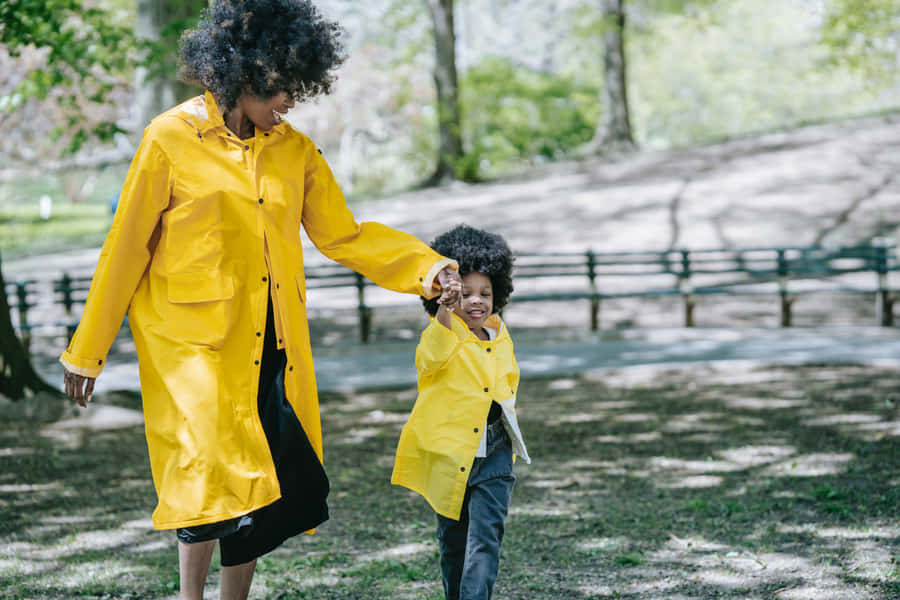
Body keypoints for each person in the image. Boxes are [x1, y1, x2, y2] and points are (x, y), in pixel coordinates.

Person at [60, 1, 460, 599]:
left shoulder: (293, 150)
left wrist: (427, 270)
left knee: (262, 487)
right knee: (204, 478)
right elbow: (125, 250)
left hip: (270, 347)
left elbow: (343, 235)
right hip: (190, 349)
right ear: (241, 71)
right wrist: (86, 352)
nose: (290, 101)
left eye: (297, 87)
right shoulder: (169, 138)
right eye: (280, 85)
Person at [391, 224, 531, 600]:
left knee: (486, 539)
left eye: (485, 293)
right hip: (451, 454)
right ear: (449, 296)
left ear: (498, 293)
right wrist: (444, 313)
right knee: (453, 544)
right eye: (466, 293)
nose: (476, 301)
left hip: (496, 451)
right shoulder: (443, 335)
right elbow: (429, 359)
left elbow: (508, 381)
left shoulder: (498, 333)